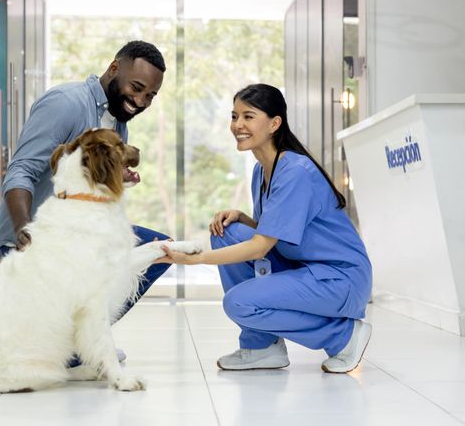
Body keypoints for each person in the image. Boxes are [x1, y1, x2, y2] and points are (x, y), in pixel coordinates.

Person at [0, 41, 171, 360]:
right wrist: (24, 230)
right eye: (136, 88)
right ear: (114, 68)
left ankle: (80, 341)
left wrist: (116, 176)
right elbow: (22, 170)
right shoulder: (66, 103)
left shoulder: (118, 123)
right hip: (38, 237)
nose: (140, 101)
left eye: (150, 95)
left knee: (155, 249)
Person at [157, 83, 373, 372]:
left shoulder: (295, 170)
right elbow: (280, 228)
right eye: (234, 116)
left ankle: (342, 336)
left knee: (239, 303)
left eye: (248, 116)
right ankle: (262, 347)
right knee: (227, 232)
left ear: (274, 124)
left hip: (339, 278)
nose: (238, 125)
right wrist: (245, 219)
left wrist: (196, 259)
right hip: (306, 266)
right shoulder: (262, 169)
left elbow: (261, 246)